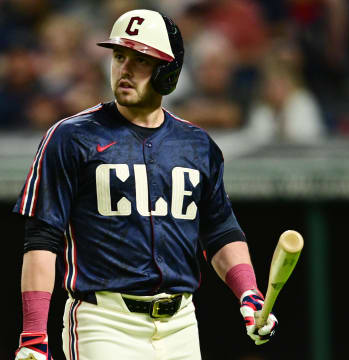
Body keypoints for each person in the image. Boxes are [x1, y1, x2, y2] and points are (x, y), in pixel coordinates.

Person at [13, 9, 278, 360]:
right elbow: (42, 241)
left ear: (168, 71)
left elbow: (220, 231)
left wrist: (249, 293)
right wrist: (33, 334)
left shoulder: (196, 144)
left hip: (182, 323)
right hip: (105, 322)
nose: (124, 68)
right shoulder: (70, 137)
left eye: (141, 59)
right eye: (119, 56)